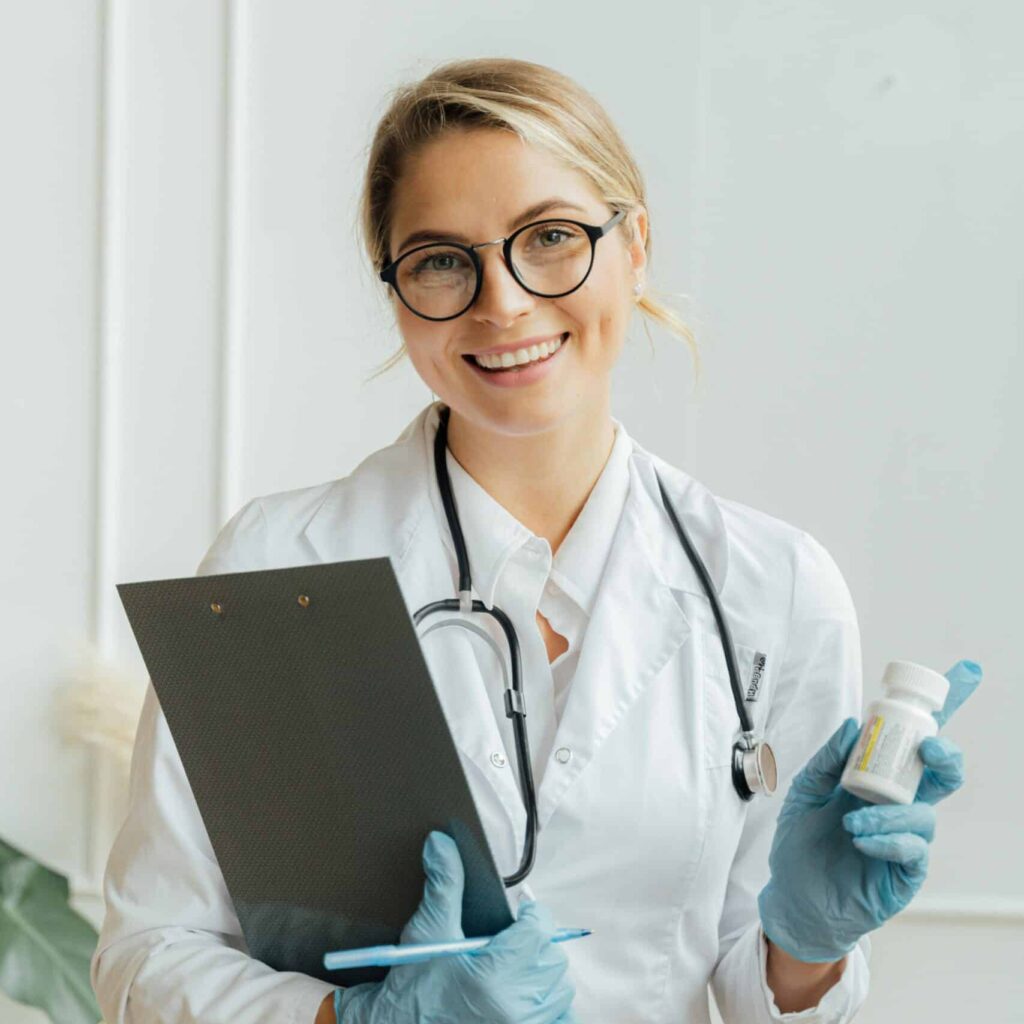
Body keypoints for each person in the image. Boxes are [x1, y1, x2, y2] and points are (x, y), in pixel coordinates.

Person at [90, 57, 979, 1024]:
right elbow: (147, 955)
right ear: (395, 290)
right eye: (440, 259)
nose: (502, 302)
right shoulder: (280, 563)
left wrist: (805, 947)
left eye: (551, 238)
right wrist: (363, 1022)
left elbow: (753, 988)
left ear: (634, 244)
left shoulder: (776, 589)